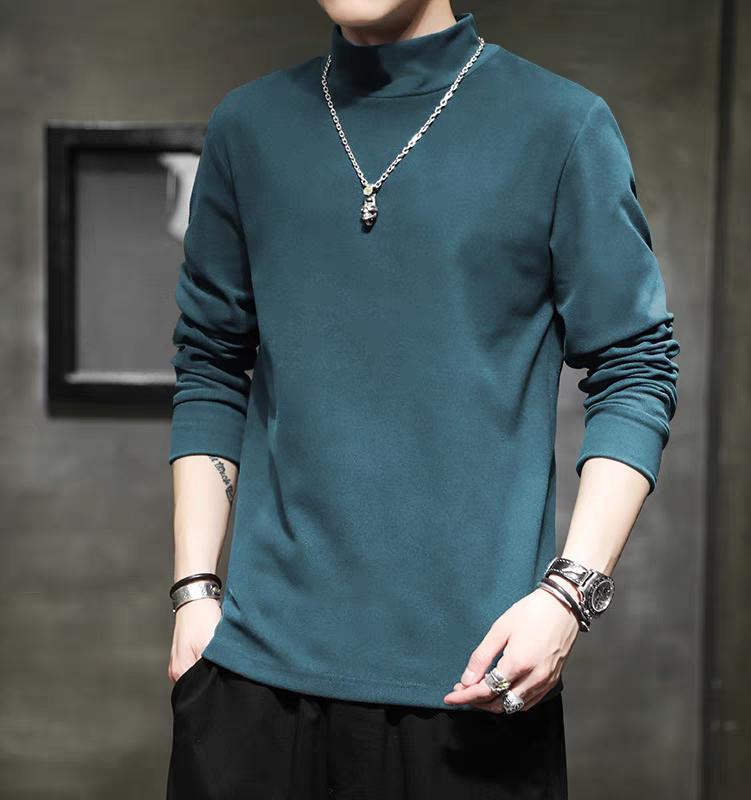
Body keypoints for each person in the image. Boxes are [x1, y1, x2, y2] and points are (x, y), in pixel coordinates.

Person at [164, 1, 681, 798]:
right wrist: (194, 593)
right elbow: (209, 363)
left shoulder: (560, 126)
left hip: (472, 685)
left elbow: (636, 365)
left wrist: (569, 596)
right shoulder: (248, 127)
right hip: (250, 683)